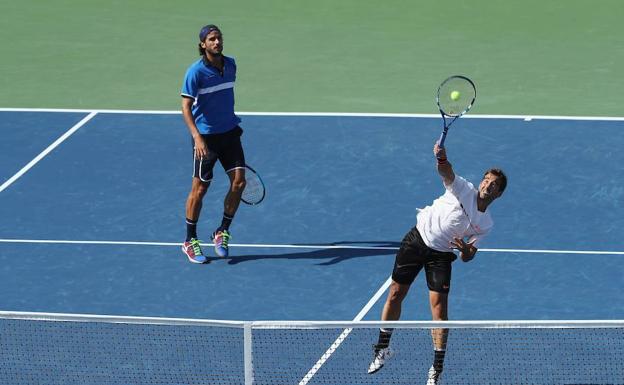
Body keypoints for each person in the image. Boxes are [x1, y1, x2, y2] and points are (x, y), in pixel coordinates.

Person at [367, 141, 507, 384]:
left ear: (499, 194)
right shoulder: (463, 188)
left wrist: (465, 250)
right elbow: (447, 172)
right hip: (417, 240)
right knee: (395, 294)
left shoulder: (486, 224)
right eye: (486, 180)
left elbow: (468, 256)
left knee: (440, 312)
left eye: (494, 185)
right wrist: (441, 158)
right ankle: (382, 349)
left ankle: (436, 369)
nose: (487, 185)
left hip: (441, 255)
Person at [180, 24, 246, 263]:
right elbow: (186, 107)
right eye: (211, 39)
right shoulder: (195, 72)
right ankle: (190, 241)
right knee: (200, 189)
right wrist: (197, 137)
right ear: (202, 45)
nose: (217, 42)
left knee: (239, 182)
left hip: (229, 133)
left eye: (219, 38)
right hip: (206, 139)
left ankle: (222, 231)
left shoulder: (231, 65)